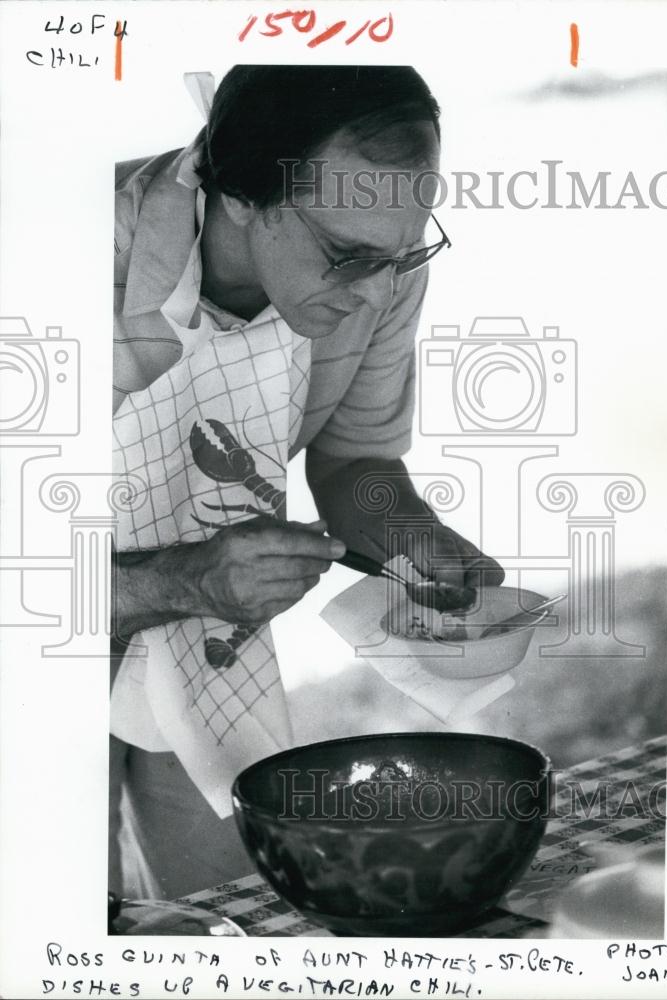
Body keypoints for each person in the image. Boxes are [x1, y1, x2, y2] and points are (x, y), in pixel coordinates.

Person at [109, 65, 503, 899]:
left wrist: (406, 535)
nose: (376, 294)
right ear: (241, 193)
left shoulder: (380, 262)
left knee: (234, 907)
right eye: (347, 257)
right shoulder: (61, 249)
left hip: (209, 643)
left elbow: (353, 459)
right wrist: (184, 578)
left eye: (408, 253)